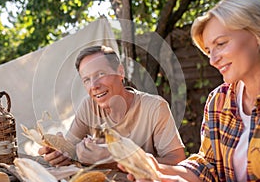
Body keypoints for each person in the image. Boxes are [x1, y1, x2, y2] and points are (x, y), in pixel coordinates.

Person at [120, 0, 260, 182]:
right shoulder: (219, 100)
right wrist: (157, 169)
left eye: (221, 44)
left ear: (256, 34)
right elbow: (207, 166)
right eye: (209, 51)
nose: (213, 60)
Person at [38, 45, 186, 168]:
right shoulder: (88, 107)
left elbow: (177, 162)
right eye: (87, 80)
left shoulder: (155, 108)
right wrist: (60, 154)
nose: (94, 86)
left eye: (101, 74)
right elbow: (71, 149)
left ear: (120, 72)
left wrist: (117, 160)